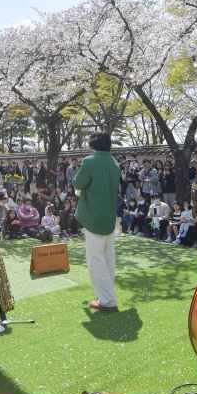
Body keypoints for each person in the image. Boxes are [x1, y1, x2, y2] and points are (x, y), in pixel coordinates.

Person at [74, 131, 122, 312]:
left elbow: (78, 183)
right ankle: (109, 296)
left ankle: (107, 300)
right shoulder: (114, 163)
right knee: (108, 259)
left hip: (93, 217)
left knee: (96, 261)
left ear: (93, 144)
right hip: (109, 217)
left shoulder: (89, 161)